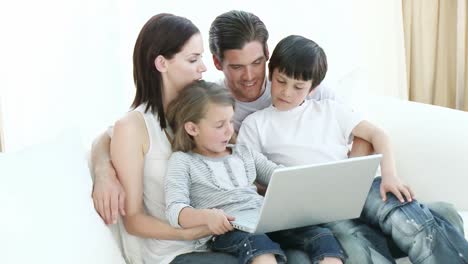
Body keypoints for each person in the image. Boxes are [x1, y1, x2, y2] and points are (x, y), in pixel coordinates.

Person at [91, 9, 465, 264]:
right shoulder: (210, 108)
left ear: (269, 58)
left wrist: (341, 188)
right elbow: (116, 135)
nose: (253, 77)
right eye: (235, 67)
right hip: (232, 225)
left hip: (321, 195)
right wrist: (104, 170)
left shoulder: (297, 82)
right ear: (220, 65)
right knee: (327, 243)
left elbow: (360, 134)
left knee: (427, 214)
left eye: (258, 64)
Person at [237, 34, 468, 264]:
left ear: (313, 88)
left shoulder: (329, 110)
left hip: (361, 188)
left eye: (298, 87)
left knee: (413, 220)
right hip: (316, 207)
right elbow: (248, 177)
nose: (287, 92)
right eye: (281, 81)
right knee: (356, 239)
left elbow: (377, 134)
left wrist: (389, 175)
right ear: (271, 73)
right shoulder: (256, 124)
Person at [164, 80, 345, 264]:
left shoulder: (243, 152)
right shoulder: (183, 161)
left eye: (231, 121)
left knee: (321, 236)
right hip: (229, 230)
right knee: (259, 247)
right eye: (219, 125)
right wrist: (207, 217)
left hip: (265, 220)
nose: (229, 130)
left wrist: (317, 182)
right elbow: (175, 209)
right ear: (192, 128)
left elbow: (278, 175)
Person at [106, 13, 238, 264]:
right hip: (175, 253)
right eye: (193, 59)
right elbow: (133, 219)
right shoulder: (134, 127)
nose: (203, 67)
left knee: (296, 255)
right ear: (162, 63)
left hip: (218, 241)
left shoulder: (200, 111)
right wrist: (190, 231)